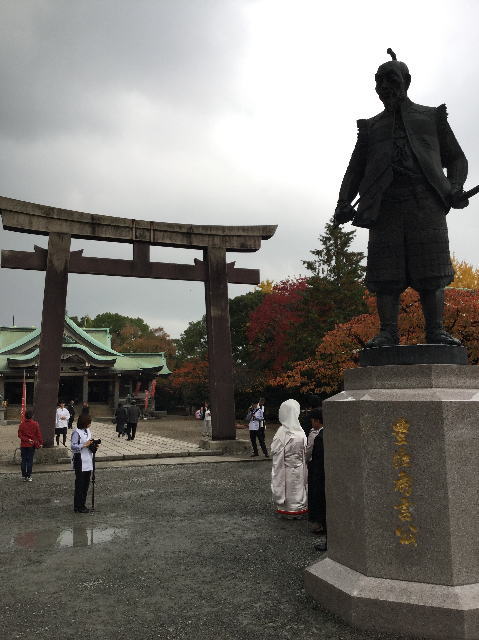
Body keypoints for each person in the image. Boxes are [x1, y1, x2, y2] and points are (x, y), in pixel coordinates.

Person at [334, 48, 468, 347]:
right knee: (386, 275)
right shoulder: (370, 127)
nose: (384, 86)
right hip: (385, 206)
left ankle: (435, 331)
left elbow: (456, 158)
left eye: (390, 79)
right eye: (379, 81)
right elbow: (355, 170)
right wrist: (343, 202)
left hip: (426, 202)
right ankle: (387, 332)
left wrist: (455, 186)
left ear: (407, 80)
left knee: (431, 271)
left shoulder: (431, 117)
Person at [271, 399, 307, 517]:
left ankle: (287, 508)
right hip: (299, 465)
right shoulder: (300, 431)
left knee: (288, 488)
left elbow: (275, 451)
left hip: (285, 466)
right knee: (298, 487)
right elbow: (305, 450)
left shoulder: (282, 432)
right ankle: (298, 508)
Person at [307, 408, 327, 548]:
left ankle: (321, 526)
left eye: (313, 420)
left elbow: (313, 456)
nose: (311, 422)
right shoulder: (322, 434)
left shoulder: (320, 437)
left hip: (319, 473)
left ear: (318, 421)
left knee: (320, 500)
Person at [71, 415, 98, 513]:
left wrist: (93, 445)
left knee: (86, 483)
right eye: (89, 422)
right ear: (84, 422)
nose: (90, 424)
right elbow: (73, 446)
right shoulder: (76, 432)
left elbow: (89, 442)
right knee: (80, 484)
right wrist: (84, 445)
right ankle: (77, 506)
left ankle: (82, 504)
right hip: (80, 460)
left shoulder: (88, 431)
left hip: (88, 459)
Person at [18, 410, 43, 482]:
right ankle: (28, 476)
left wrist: (26, 439)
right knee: (30, 460)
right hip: (31, 445)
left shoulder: (22, 424)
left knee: (23, 460)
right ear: (32, 416)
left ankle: (24, 476)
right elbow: (38, 434)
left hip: (23, 444)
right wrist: (40, 442)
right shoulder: (35, 424)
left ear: (25, 416)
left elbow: (19, 435)